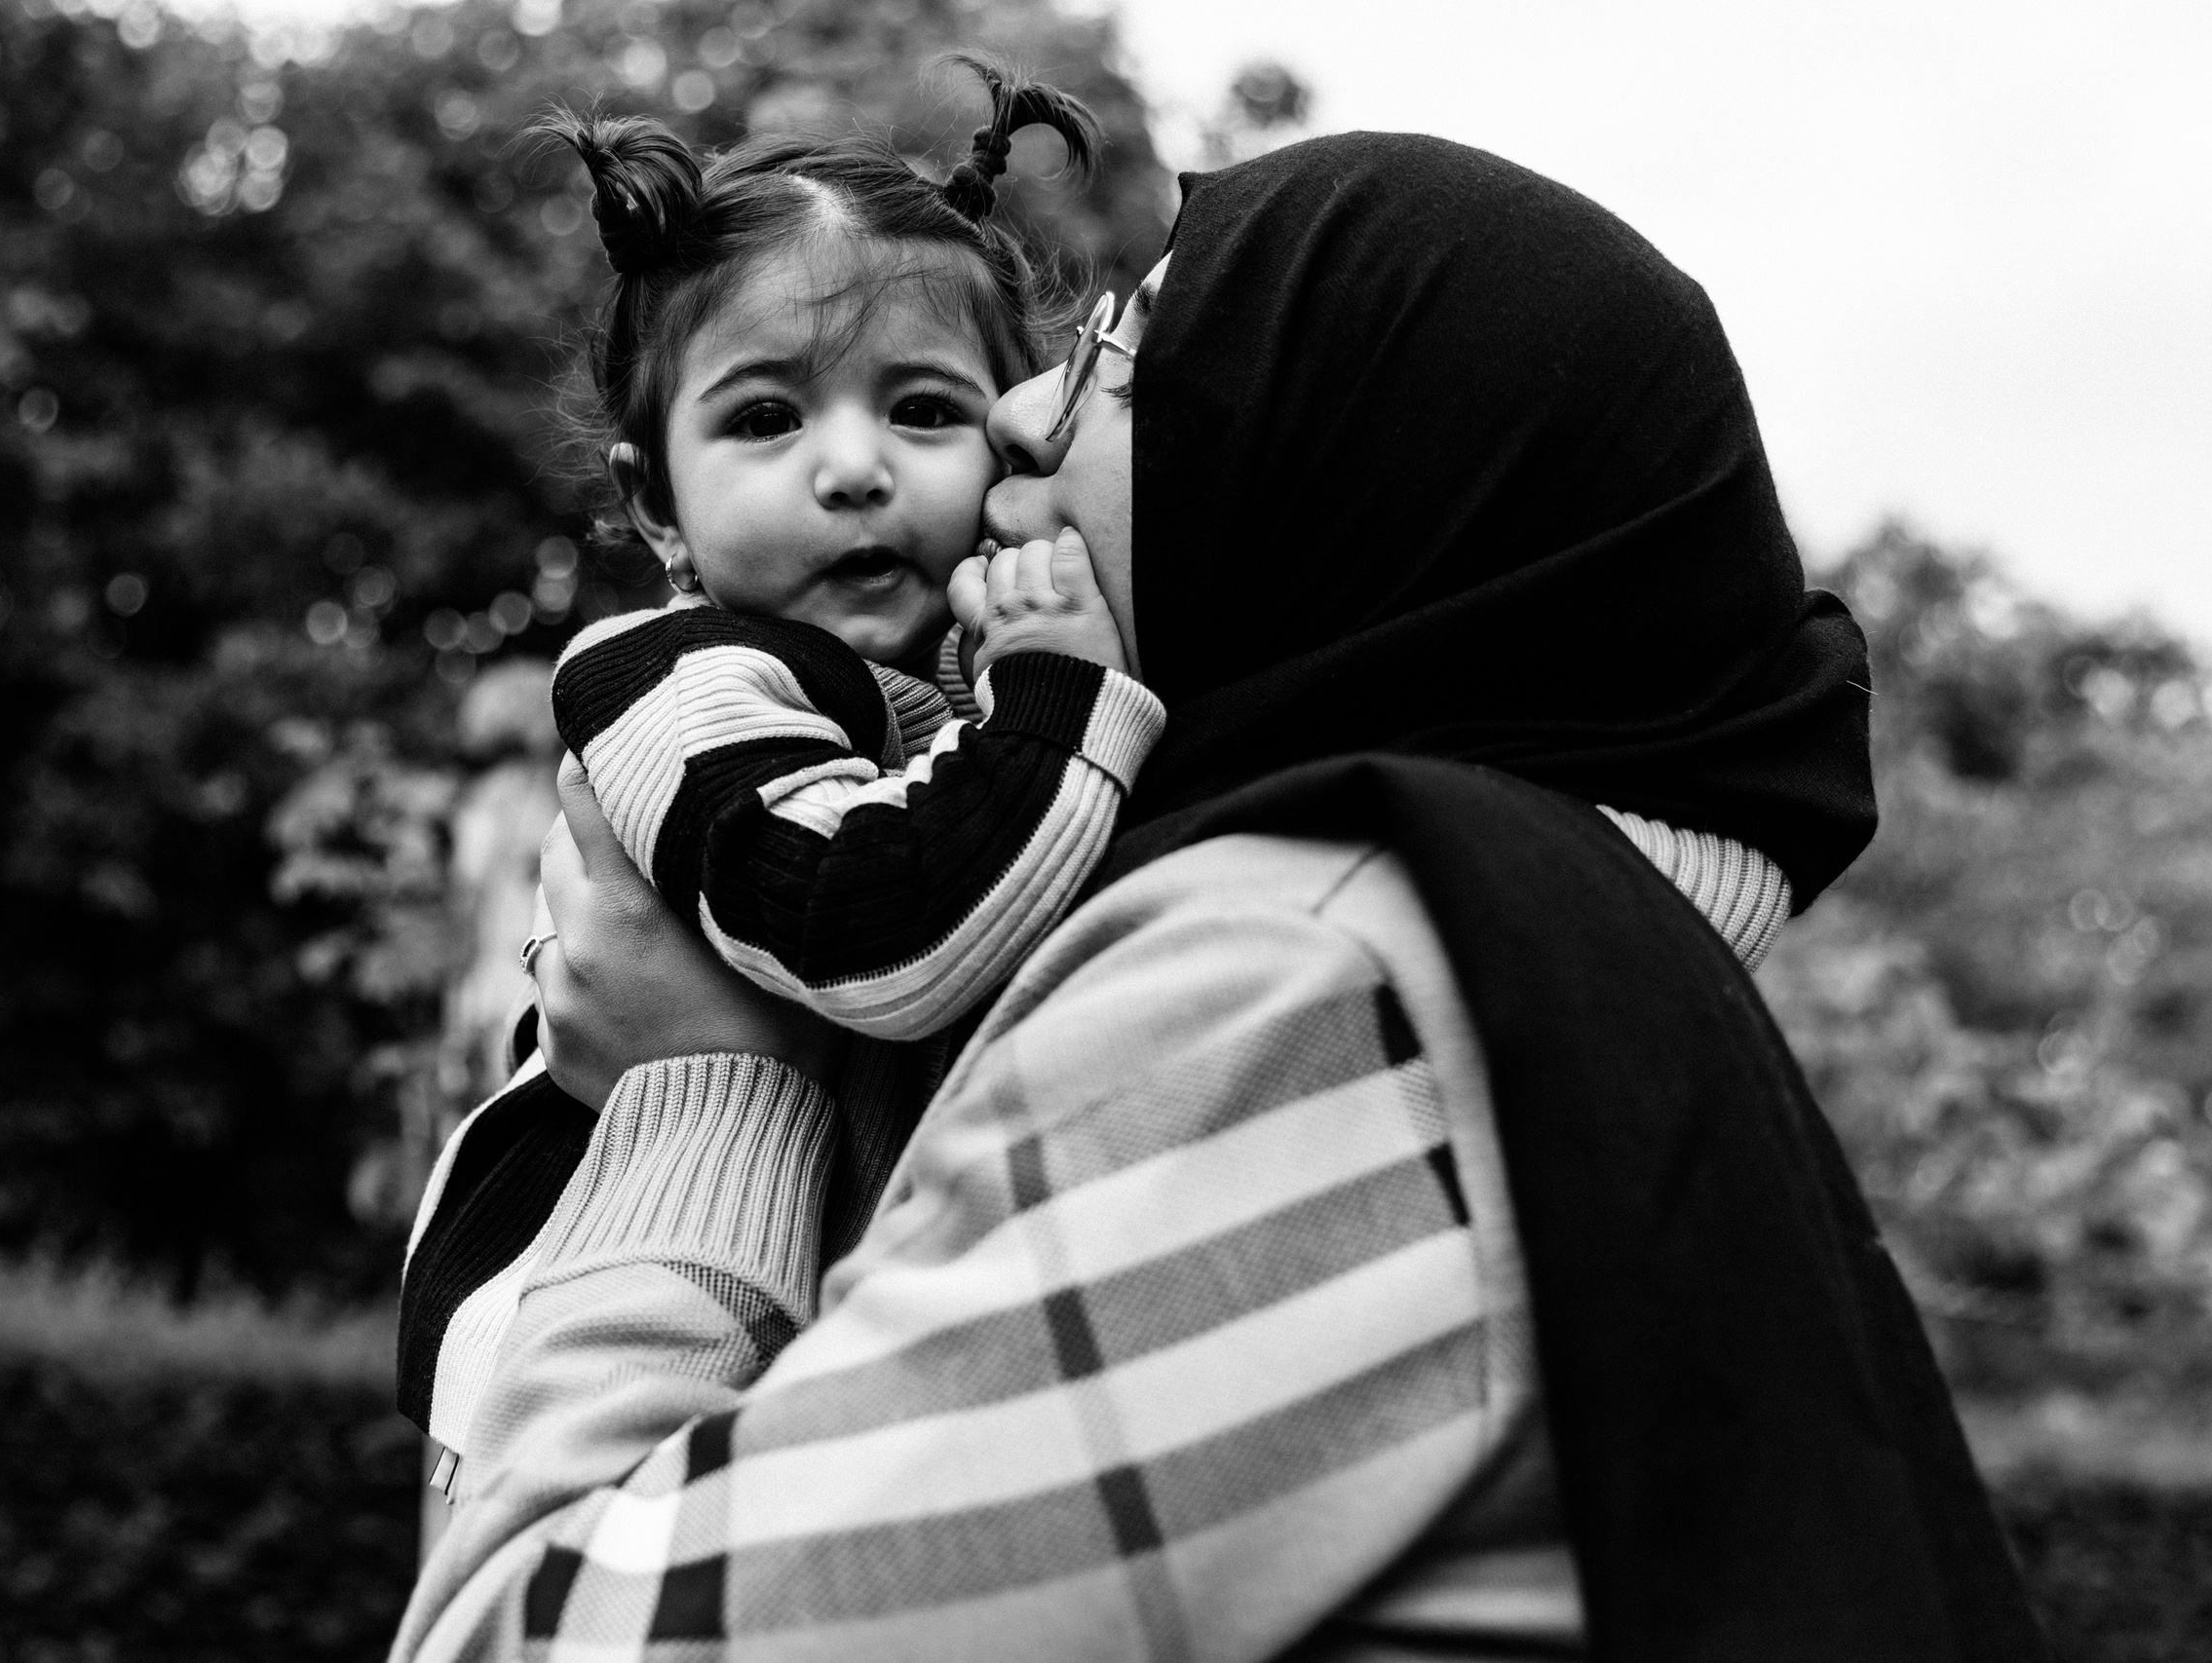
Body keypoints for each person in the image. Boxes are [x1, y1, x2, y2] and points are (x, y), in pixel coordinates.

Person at [392, 133, 2047, 1661]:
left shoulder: (1300, 985)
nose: (1029, 411)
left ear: (1339, 470)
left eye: (1130, 353)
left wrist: (701, 1085)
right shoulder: (1524, 960)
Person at [393, 64, 1166, 1479]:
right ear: (653, 500)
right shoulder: (675, 679)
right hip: (590, 1335)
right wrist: (1068, 693)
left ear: (1008, 435)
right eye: (766, 420)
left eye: (924, 410)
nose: (855, 467)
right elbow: (879, 926)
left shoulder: (963, 677)